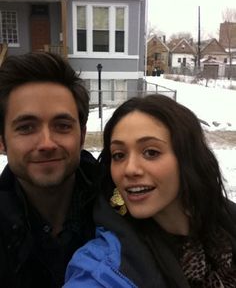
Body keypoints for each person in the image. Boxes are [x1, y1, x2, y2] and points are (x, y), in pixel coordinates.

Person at [64, 94, 236, 288]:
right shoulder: (102, 269)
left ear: (188, 159)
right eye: (119, 155)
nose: (129, 169)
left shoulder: (225, 226)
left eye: (151, 152)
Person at [0, 52, 100, 288]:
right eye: (26, 128)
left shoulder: (125, 207)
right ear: (2, 141)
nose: (46, 143)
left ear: (82, 135)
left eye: (62, 126)